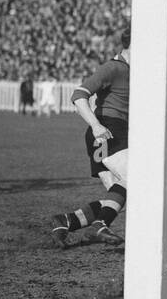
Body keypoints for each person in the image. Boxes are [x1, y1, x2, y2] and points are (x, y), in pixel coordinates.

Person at [51, 30, 129, 247]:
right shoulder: (114, 68)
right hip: (108, 131)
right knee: (133, 180)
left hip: (104, 137)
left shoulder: (134, 71)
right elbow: (78, 96)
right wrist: (96, 125)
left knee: (119, 194)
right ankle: (100, 225)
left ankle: (66, 220)